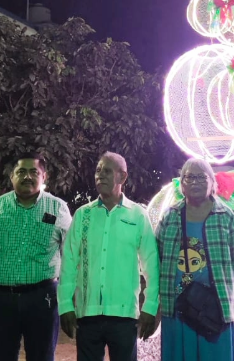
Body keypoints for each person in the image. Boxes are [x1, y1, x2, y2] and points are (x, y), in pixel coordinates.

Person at [58, 152, 160, 361]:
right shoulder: (83, 215)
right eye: (98, 170)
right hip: (88, 314)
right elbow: (69, 262)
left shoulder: (137, 215)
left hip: (124, 316)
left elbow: (151, 264)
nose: (100, 175)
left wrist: (150, 307)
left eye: (107, 171)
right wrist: (66, 305)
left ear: (123, 177)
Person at [156, 158, 234, 361]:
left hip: (214, 309)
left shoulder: (225, 216)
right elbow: (158, 256)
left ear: (212, 182)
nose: (195, 182)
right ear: (181, 184)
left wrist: (221, 281)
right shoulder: (170, 217)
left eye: (201, 177)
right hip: (177, 308)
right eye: (189, 177)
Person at [0, 152, 72, 361]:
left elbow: (70, 255)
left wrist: (68, 298)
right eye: (21, 172)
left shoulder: (58, 208)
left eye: (34, 172)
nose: (27, 177)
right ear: (11, 176)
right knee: (1, 356)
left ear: (44, 176)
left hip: (43, 298)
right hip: (0, 299)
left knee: (42, 356)